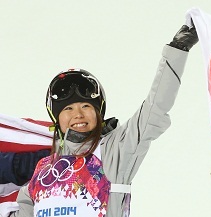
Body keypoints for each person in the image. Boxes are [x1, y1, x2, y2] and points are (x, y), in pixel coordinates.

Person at [2, 22, 198, 217]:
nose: (78, 114)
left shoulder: (115, 152)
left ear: (99, 113)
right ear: (57, 119)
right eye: (68, 109)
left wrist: (177, 51)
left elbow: (155, 109)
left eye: (86, 106)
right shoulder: (44, 169)